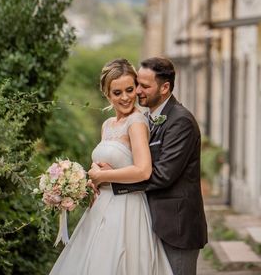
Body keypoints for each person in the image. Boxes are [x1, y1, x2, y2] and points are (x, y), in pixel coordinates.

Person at [48, 58, 173, 275]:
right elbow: (103, 166)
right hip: (100, 206)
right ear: (107, 93)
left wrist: (103, 177)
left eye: (129, 89)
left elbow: (144, 170)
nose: (125, 97)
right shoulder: (107, 125)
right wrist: (87, 180)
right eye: (117, 92)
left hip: (126, 209)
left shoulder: (136, 123)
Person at [93, 57, 208, 275]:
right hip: (151, 223)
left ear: (165, 88)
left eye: (144, 86)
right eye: (137, 84)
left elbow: (162, 175)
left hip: (177, 227)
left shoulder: (180, 121)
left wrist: (111, 182)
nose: (137, 91)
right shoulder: (150, 118)